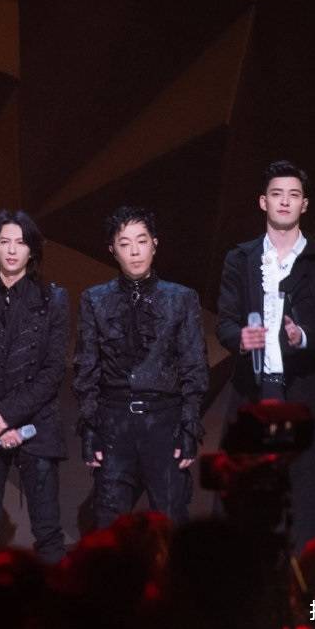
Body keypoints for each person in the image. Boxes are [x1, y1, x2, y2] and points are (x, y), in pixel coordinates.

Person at [215, 160, 315, 547]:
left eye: (293, 195)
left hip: (307, 390)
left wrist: (302, 335)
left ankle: (312, 573)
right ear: (263, 202)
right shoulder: (240, 259)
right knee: (248, 493)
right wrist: (241, 338)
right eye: (277, 194)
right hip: (254, 391)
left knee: (311, 494)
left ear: (304, 204)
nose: (285, 202)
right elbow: (225, 322)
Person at [72, 205, 208, 528]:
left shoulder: (181, 298)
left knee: (171, 520)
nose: (135, 251)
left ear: (154, 244)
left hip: (164, 422)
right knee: (109, 524)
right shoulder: (94, 299)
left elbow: (194, 365)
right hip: (114, 423)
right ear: (112, 250)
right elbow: (86, 368)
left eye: (142, 241)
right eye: (125, 243)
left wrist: (189, 428)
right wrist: (90, 430)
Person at [0, 210, 68, 563]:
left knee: (49, 532)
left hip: (36, 421)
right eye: (5, 241)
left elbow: (53, 369)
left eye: (21, 242)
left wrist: (9, 415)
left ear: (32, 249)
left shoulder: (54, 299)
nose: (12, 249)